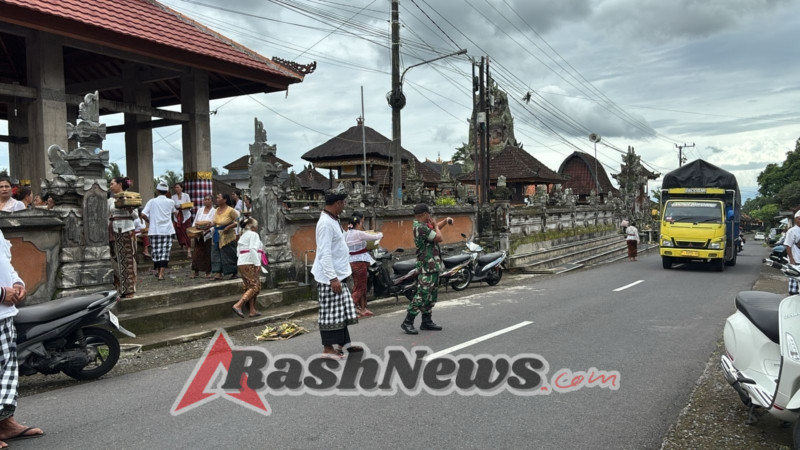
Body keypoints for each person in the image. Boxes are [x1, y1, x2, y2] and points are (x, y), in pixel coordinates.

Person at [0, 229, 44, 446]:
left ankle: (5, 423)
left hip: (4, 314)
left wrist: (17, 283)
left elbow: (5, 263)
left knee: (6, 370)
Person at [310, 189, 361, 358]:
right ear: (337, 203)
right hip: (329, 277)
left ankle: (344, 344)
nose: (344, 206)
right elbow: (324, 253)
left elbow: (340, 241)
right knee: (330, 313)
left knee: (341, 311)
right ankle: (328, 348)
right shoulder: (325, 223)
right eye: (343, 203)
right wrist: (332, 278)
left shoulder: (334, 219)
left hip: (339, 272)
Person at [401, 203, 452, 335]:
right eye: (428, 214)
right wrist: (436, 226)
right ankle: (408, 321)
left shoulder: (423, 226)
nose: (430, 216)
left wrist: (444, 222)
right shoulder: (420, 227)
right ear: (424, 214)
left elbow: (434, 230)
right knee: (422, 294)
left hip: (432, 265)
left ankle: (426, 321)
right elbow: (439, 237)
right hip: (426, 266)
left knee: (431, 295)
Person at [345, 211, 382, 318]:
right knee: (360, 287)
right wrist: (380, 234)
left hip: (351, 262)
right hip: (359, 263)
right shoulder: (358, 233)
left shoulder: (346, 234)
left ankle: (362, 308)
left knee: (359, 285)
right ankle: (348, 309)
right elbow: (374, 237)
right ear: (358, 224)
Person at [107, 177, 138, 298]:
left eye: (112, 184)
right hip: (114, 231)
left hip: (127, 229)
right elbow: (108, 215)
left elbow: (136, 216)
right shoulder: (111, 200)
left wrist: (129, 209)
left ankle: (129, 289)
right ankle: (119, 288)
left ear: (119, 184)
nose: (110, 186)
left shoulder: (130, 197)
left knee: (128, 260)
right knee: (116, 259)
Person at [140, 181, 176, 281]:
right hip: (167, 230)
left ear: (157, 191)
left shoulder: (152, 201)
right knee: (165, 252)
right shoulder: (171, 202)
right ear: (167, 192)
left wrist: (149, 221)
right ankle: (161, 274)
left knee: (156, 252)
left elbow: (142, 215)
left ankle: (159, 271)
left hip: (154, 230)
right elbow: (175, 212)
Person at [232, 217, 264, 318]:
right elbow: (252, 249)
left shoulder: (243, 235)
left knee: (248, 286)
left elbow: (238, 252)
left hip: (242, 262)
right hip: (249, 261)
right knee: (254, 286)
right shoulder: (253, 235)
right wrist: (257, 263)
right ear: (253, 227)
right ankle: (238, 305)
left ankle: (252, 309)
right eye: (256, 225)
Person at [211, 193, 239, 280]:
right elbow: (215, 222)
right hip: (217, 234)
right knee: (216, 253)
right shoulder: (216, 210)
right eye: (217, 198)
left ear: (225, 200)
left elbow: (238, 221)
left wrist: (229, 227)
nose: (217, 199)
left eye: (219, 198)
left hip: (227, 235)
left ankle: (233, 272)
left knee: (229, 253)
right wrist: (207, 226)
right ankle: (218, 272)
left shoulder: (231, 210)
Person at [191, 195, 215, 279]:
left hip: (208, 235)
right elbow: (195, 221)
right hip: (198, 234)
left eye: (208, 199)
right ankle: (196, 271)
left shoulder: (214, 211)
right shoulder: (200, 210)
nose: (206, 201)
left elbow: (214, 223)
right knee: (196, 253)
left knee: (207, 253)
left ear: (212, 201)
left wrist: (209, 230)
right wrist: (194, 230)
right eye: (205, 199)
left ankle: (208, 272)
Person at [171, 183, 192, 257]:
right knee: (178, 232)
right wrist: (176, 215)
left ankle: (188, 249)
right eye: (175, 187)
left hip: (186, 216)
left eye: (178, 187)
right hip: (177, 216)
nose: (176, 189)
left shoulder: (186, 195)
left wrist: (184, 207)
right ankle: (182, 245)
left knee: (187, 232)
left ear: (181, 188)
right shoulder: (173, 197)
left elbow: (189, 205)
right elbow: (172, 207)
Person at [785, 210, 800, 295]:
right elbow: (788, 246)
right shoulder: (792, 231)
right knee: (794, 287)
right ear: (795, 219)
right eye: (799, 219)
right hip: (796, 261)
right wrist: (791, 259)